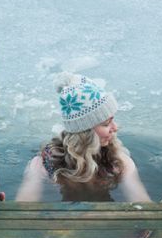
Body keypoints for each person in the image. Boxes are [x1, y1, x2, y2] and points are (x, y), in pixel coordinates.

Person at [16, 72, 153, 202]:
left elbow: (142, 203)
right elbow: (22, 209)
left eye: (112, 120)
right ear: (84, 133)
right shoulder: (46, 164)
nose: (115, 128)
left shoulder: (118, 162)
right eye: (106, 123)